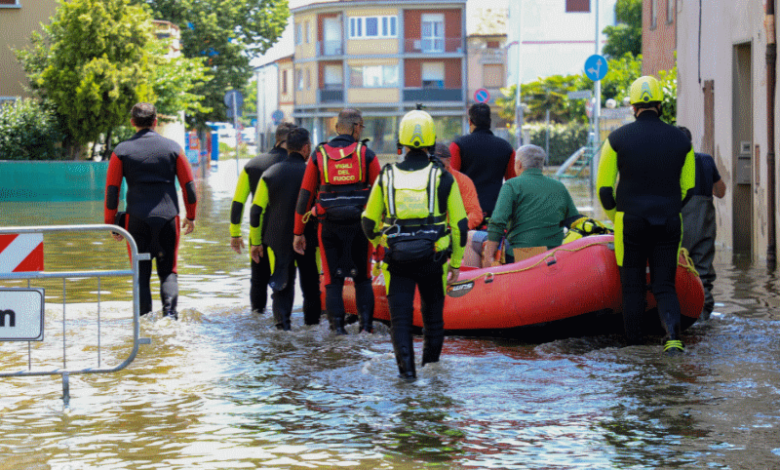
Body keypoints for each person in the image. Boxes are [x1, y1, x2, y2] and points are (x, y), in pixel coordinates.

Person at [362, 110, 468, 380]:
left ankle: (407, 376)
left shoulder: (386, 176)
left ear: (402, 142)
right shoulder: (444, 177)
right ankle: (431, 373)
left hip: (397, 261)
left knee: (400, 321)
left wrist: (382, 242)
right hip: (434, 260)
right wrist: (455, 262)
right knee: (433, 319)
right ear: (432, 140)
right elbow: (460, 226)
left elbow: (368, 222)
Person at [597, 76, 695, 354]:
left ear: (633, 106)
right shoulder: (681, 139)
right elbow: (688, 189)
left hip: (629, 221)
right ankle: (673, 339)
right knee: (665, 284)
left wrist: (618, 214)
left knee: (632, 286)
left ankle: (635, 346)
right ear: (660, 104)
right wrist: (670, 208)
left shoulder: (616, 139)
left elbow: (604, 190)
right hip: (669, 220)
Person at [104, 102, 197, 320]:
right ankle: (171, 320)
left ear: (132, 122)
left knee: (141, 276)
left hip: (136, 223)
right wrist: (190, 216)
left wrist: (111, 223)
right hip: (168, 220)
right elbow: (189, 188)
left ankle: (144, 325)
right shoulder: (174, 149)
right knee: (168, 273)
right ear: (156, 122)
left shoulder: (121, 151)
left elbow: (112, 192)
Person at [293, 109, 381, 334]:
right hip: (361, 227)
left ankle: (337, 333)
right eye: (361, 128)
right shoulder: (366, 154)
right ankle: (366, 331)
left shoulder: (318, 154)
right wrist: (381, 232)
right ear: (355, 127)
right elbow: (381, 195)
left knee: (333, 280)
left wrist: (298, 232)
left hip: (329, 227)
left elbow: (305, 194)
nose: (361, 132)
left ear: (337, 128)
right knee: (363, 278)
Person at [249, 128, 321, 330]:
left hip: (278, 238)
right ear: (306, 148)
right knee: (310, 286)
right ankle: (312, 328)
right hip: (307, 237)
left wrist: (256, 242)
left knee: (281, 284)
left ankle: (282, 328)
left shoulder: (270, 173)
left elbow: (256, 212)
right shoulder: (313, 173)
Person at [229, 122, 296, 313]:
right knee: (283, 281)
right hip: (286, 234)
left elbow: (238, 202)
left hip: (257, 231)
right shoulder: (298, 166)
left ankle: (256, 320)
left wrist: (235, 233)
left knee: (258, 280)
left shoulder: (252, 164)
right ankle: (281, 325)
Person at [482, 145, 581, 266]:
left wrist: (488, 257)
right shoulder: (559, 186)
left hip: (524, 256)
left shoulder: (512, 185)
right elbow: (574, 220)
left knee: (474, 238)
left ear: (518, 164)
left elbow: (497, 223)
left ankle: (472, 280)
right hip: (554, 254)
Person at [678, 126, 727, 320]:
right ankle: (703, 316)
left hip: (680, 223)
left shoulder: (670, 162)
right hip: (705, 223)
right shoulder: (706, 160)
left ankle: (677, 315)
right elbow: (721, 192)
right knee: (703, 272)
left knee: (676, 268)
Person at [449, 103, 516, 218]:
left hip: (466, 216)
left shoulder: (458, 146)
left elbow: (450, 181)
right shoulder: (507, 148)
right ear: (489, 122)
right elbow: (513, 184)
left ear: (470, 122)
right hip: (496, 215)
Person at [433, 142, 483, 230]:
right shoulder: (424, 178)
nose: (433, 167)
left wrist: (458, 229)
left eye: (437, 162)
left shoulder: (463, 181)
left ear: (448, 161)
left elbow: (475, 214)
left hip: (455, 230)